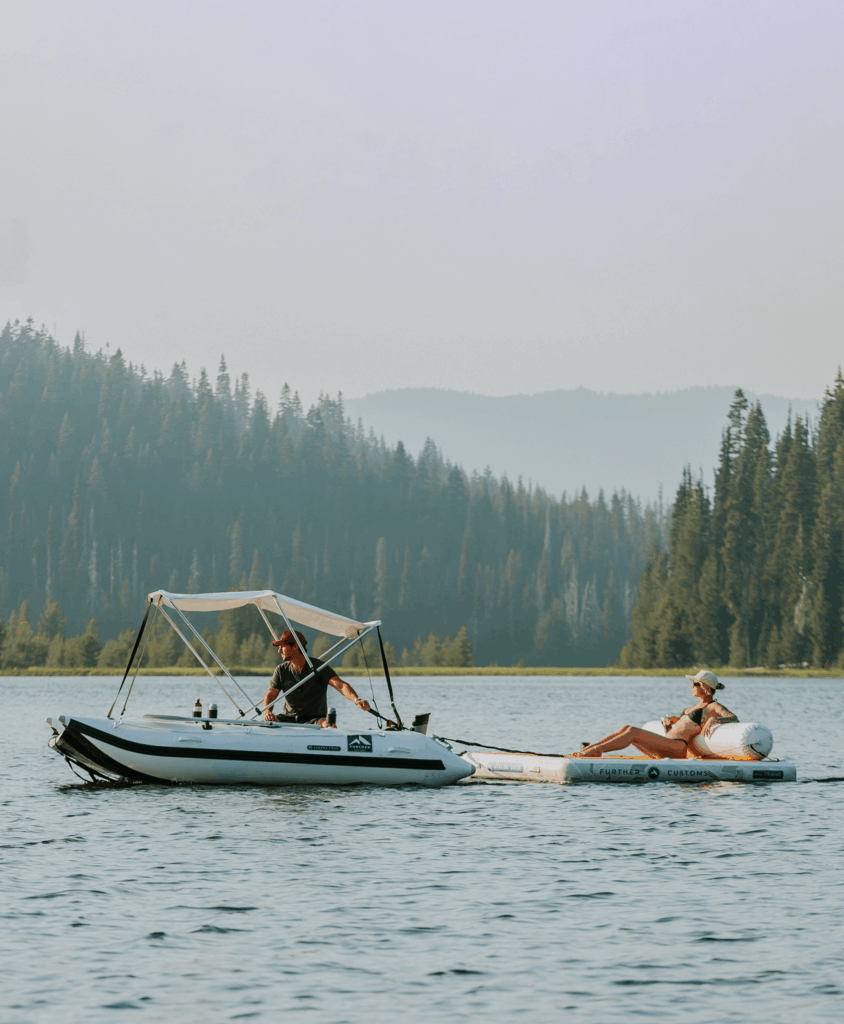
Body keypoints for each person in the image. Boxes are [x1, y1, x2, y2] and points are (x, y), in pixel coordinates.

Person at [569, 670, 739, 759]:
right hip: (668, 742)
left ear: (706, 688)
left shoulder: (713, 706)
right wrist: (670, 724)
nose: (691, 687)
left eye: (695, 684)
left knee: (632, 732)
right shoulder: (692, 707)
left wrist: (714, 720)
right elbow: (680, 728)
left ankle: (595, 751)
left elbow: (733, 718)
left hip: (677, 747)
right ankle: (590, 749)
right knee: (626, 727)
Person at [261, 630, 372, 727]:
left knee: (328, 724)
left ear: (295, 646)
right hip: (287, 718)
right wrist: (267, 713)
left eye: (282, 647)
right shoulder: (280, 670)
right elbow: (270, 695)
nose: (279, 650)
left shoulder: (320, 667)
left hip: (315, 720)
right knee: (267, 723)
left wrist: (356, 699)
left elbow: (341, 685)